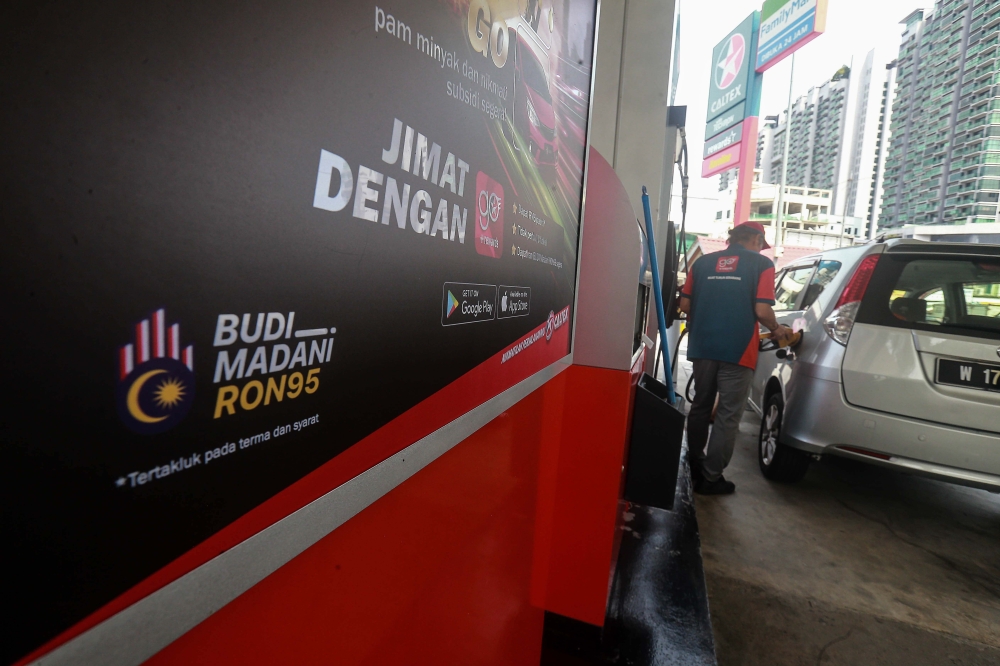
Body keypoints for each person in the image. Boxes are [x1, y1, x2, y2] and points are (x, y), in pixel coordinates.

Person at [678, 222, 792, 495]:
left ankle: (693, 463)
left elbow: (684, 305)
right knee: (728, 416)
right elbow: (763, 310)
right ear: (755, 238)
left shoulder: (702, 263)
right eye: (759, 243)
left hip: (702, 346)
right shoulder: (762, 265)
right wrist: (777, 330)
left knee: (701, 406)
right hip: (738, 350)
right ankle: (711, 478)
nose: (759, 248)